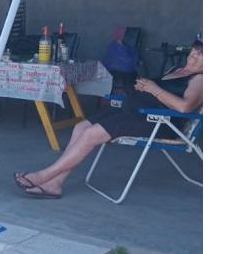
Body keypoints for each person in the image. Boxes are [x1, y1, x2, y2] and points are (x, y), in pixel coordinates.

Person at [14, 38, 203, 198]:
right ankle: (55, 183)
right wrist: (143, 88)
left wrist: (153, 89)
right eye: (195, 49)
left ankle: (44, 175)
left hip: (158, 121)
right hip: (135, 113)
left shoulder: (201, 79)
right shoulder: (177, 69)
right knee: (81, 127)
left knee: (91, 134)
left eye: (202, 53)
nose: (195, 53)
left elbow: (184, 107)